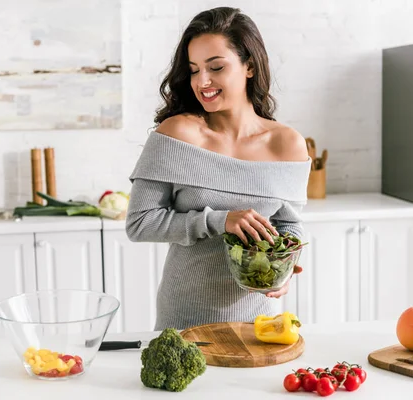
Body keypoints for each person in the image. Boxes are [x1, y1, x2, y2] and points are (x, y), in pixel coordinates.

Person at [125, 7, 311, 330]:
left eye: (216, 67)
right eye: (194, 70)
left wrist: (285, 268)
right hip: (184, 321)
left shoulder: (287, 144)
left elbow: (288, 226)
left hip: (259, 324)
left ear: (249, 66)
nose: (202, 82)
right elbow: (139, 223)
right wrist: (219, 221)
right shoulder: (176, 134)